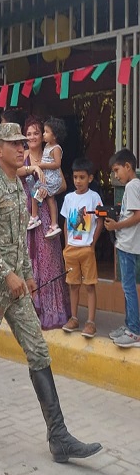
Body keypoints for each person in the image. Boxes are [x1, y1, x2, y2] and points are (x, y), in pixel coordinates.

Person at [0, 123, 102, 463]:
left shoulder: (19, 186)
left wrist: (28, 277)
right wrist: (8, 274)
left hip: (17, 288)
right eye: (14, 144)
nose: (21, 148)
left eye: (22, 142)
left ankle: (58, 437)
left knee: (38, 350)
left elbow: (20, 241)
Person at [17, 117, 69, 330]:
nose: (32, 137)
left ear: (44, 136)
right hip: (28, 214)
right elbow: (15, 171)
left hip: (46, 215)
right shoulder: (24, 156)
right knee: (28, 260)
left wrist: (49, 190)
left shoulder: (50, 154)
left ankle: (50, 310)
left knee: (48, 261)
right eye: (28, 134)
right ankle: (29, 311)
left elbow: (64, 185)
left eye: (36, 133)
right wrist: (33, 169)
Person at [58, 157, 103, 338]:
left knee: (90, 286)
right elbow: (67, 221)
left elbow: (99, 222)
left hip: (86, 249)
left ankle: (91, 322)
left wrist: (92, 244)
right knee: (73, 285)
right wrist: (67, 244)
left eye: (82, 177)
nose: (78, 181)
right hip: (71, 249)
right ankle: (74, 318)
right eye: (75, 177)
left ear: (90, 178)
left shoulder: (94, 197)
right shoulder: (68, 198)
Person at [105, 149, 140, 348]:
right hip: (126, 243)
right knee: (128, 289)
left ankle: (134, 331)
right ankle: (129, 325)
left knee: (129, 289)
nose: (116, 175)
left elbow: (137, 216)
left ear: (128, 166)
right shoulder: (133, 187)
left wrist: (115, 226)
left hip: (128, 244)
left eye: (117, 170)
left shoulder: (133, 186)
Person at [28, 117, 65, 238]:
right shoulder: (47, 147)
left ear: (54, 136)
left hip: (51, 180)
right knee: (47, 198)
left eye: (45, 132)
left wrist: (41, 165)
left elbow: (58, 165)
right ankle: (52, 224)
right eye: (28, 134)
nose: (44, 135)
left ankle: (36, 217)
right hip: (46, 180)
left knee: (38, 193)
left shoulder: (55, 149)